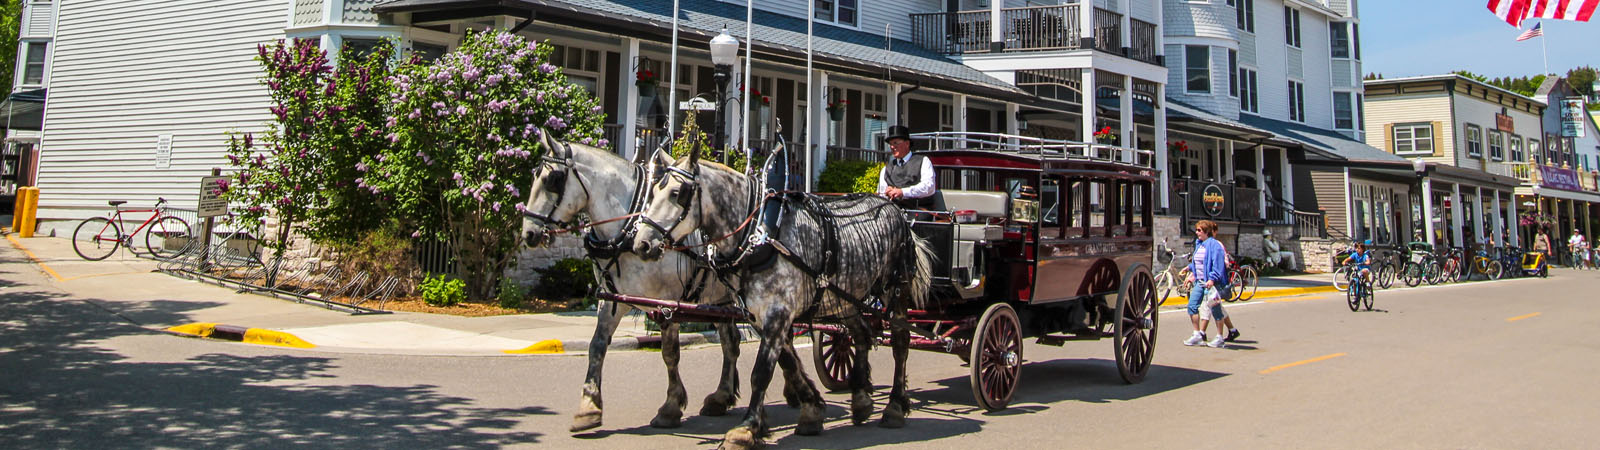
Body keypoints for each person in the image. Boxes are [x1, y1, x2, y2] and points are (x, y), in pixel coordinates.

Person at [1183, 220, 1231, 348]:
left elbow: (1218, 263)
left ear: (1206, 231)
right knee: (1192, 306)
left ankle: (1220, 337)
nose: (1197, 232)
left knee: (1216, 309)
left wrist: (1212, 279)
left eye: (1199, 230)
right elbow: (1198, 263)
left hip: (1211, 283)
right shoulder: (1200, 244)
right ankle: (1197, 334)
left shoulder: (1214, 245)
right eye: (1197, 230)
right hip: (1200, 282)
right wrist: (1189, 269)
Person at [876, 125, 936, 209]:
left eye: (895, 143)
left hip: (919, 210)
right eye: (890, 144)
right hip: (893, 212)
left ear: (907, 143)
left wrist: (903, 192)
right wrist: (886, 192)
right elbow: (881, 194)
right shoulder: (886, 169)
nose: (892, 147)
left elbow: (929, 187)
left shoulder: (923, 161)